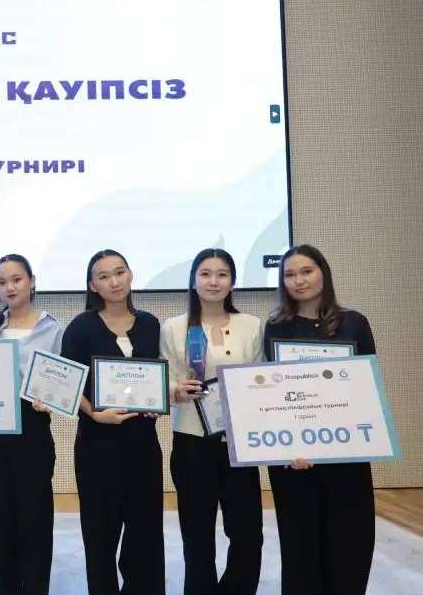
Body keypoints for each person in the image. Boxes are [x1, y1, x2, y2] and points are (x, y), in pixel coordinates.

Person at [263, 244, 378, 595]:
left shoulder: (354, 323)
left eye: (306, 271)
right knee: (301, 550)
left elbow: (367, 387)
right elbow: (274, 393)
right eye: (289, 274)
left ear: (323, 272)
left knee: (350, 546)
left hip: (345, 456)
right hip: (296, 461)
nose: (298, 281)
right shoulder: (276, 327)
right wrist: (289, 446)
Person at [61, 249, 165, 595]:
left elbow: (157, 378)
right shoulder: (80, 327)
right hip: (96, 446)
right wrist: (93, 413)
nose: (114, 281)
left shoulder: (151, 324)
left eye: (120, 272)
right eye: (104, 276)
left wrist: (157, 402)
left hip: (142, 445)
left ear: (131, 275)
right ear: (92, 285)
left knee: (145, 534)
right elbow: (67, 385)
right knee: (100, 535)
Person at [160, 249, 263, 594]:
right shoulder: (173, 327)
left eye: (222, 274)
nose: (214, 281)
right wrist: (177, 389)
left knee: (247, 533)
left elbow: (263, 378)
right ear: (193, 280)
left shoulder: (252, 326)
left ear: (233, 281)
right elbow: (162, 379)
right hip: (192, 441)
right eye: (205, 274)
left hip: (239, 444)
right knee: (198, 534)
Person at [0, 254, 64, 595]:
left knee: (34, 520)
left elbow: (62, 381)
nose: (9, 287)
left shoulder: (52, 328)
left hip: (32, 429)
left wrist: (53, 398)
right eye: (2, 282)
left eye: (16, 279)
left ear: (31, 280)